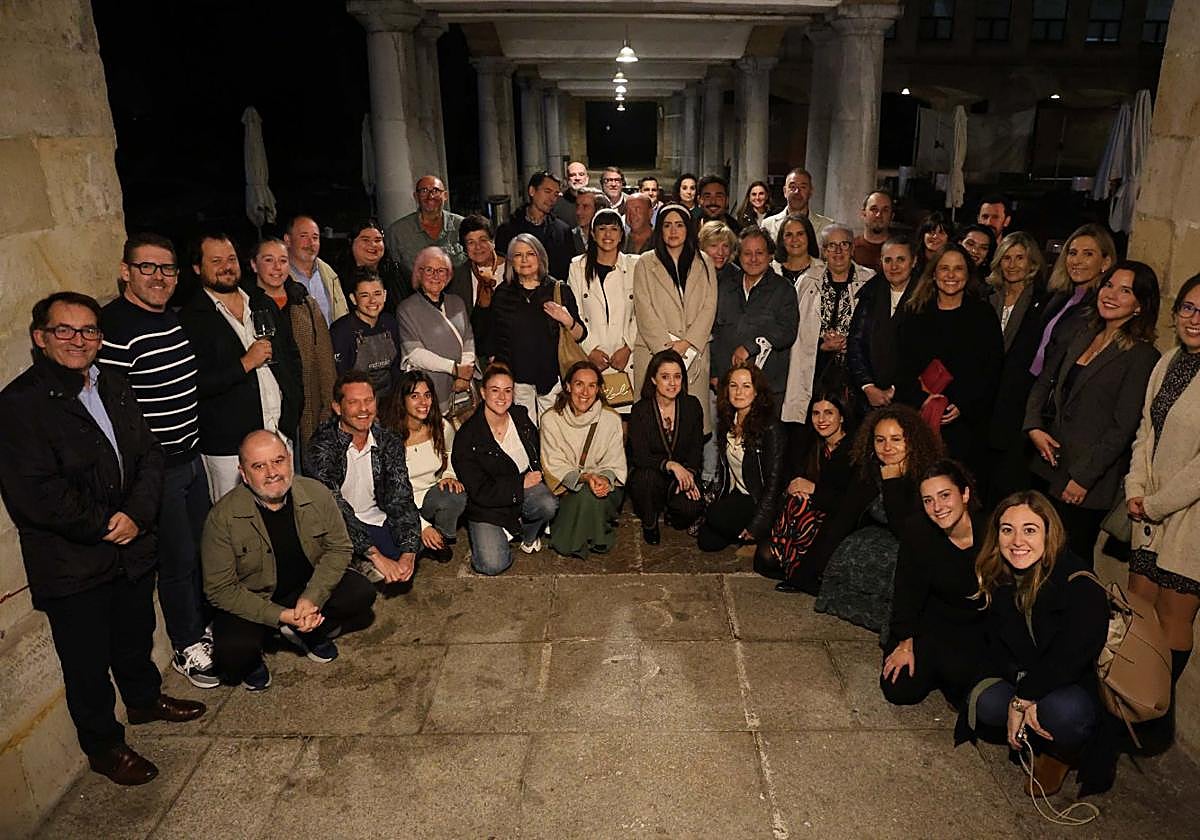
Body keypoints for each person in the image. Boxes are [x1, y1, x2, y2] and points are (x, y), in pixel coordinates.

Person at [0, 291, 204, 786]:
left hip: (129, 548)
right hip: (73, 560)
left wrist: (135, 515)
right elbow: (35, 492)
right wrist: (107, 523)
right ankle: (104, 746)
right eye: (64, 330)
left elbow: (150, 454)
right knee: (86, 664)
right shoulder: (19, 405)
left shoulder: (113, 384)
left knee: (134, 635)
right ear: (40, 338)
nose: (78, 340)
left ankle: (143, 701)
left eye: (89, 330)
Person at [99, 234, 215, 689]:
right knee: (177, 557)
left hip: (190, 457)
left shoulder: (170, 318)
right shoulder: (113, 327)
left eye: (167, 269)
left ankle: (204, 626)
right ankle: (187, 645)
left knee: (203, 548)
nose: (159, 277)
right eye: (147, 268)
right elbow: (114, 412)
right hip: (157, 471)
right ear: (126, 271)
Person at [958, 491, 1109, 797]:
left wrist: (1024, 698)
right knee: (984, 702)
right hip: (1026, 676)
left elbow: (1071, 657)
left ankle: (1062, 753)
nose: (1017, 541)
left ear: (1048, 533)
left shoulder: (1077, 582)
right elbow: (995, 648)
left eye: (1029, 530)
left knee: (1064, 713)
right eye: (1007, 529)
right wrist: (1022, 687)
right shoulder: (1002, 577)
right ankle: (1034, 732)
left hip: (1072, 685)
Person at [203, 430, 378, 691]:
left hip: (304, 588)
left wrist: (311, 599)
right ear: (244, 473)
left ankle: (307, 629)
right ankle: (259, 652)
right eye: (259, 466)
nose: (272, 472)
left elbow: (339, 548)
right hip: (256, 599)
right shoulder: (222, 518)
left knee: (361, 593)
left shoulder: (316, 493)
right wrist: (282, 615)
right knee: (232, 654)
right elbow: (220, 589)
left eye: (278, 461)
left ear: (290, 459)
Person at [1024, 261, 1161, 564]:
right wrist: (1033, 426)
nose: (1111, 295)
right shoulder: (1082, 332)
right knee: (1035, 554)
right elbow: (1045, 379)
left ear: (1140, 305)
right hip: (1046, 464)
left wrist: (1083, 478)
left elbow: (1123, 428)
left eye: (1125, 291)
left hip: (1085, 480)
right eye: (1110, 285)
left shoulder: (1142, 356)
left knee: (1069, 562)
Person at [1125, 272, 1200, 732]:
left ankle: (1151, 720)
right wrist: (1135, 488)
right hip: (1148, 511)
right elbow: (1145, 433)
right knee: (1137, 616)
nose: (1195, 319)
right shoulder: (1169, 359)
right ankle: (1124, 706)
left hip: (1190, 521)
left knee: (1172, 623)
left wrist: (1155, 504)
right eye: (1189, 308)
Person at [179, 232, 302, 501]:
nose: (227, 266)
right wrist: (245, 363)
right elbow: (194, 384)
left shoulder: (260, 301)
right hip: (229, 448)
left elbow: (292, 359)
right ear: (198, 268)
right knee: (235, 522)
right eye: (216, 261)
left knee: (285, 511)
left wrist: (292, 412)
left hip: (279, 434)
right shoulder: (191, 319)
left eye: (231, 259)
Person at [881, 460, 987, 707]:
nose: (937, 507)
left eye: (945, 495)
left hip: (974, 630)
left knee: (971, 699)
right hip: (930, 626)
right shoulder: (918, 531)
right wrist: (905, 644)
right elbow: (905, 591)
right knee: (899, 689)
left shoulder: (990, 533)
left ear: (965, 493)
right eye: (928, 500)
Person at [895, 244, 1004, 482]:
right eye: (944, 268)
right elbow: (901, 366)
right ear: (933, 274)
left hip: (967, 424)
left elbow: (992, 370)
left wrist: (963, 404)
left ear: (968, 274)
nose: (951, 275)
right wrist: (923, 400)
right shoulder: (915, 313)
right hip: (919, 417)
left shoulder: (983, 315)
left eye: (958, 269)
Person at [304, 372, 421, 585]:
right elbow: (334, 507)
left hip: (374, 518)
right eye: (354, 402)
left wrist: (409, 553)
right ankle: (357, 564)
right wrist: (376, 556)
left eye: (368, 401)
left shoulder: (388, 439)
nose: (364, 409)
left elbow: (401, 496)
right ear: (338, 408)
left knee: (405, 549)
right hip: (335, 525)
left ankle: (364, 564)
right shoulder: (321, 447)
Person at [452, 365, 559, 574]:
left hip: (523, 489)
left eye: (508, 390)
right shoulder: (468, 436)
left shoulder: (520, 417)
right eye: (495, 390)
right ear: (483, 392)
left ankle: (527, 532)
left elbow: (537, 450)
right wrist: (519, 484)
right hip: (487, 507)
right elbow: (478, 491)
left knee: (547, 503)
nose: (502, 397)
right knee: (492, 565)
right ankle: (506, 528)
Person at [632, 205, 718, 433]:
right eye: (667, 225)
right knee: (654, 428)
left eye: (679, 225)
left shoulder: (705, 262)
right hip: (655, 352)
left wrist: (687, 343)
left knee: (689, 428)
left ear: (688, 229)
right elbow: (643, 308)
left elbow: (709, 306)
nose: (673, 231)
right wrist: (668, 350)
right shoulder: (644, 262)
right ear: (659, 229)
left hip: (693, 352)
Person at [779, 223, 873, 427]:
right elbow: (797, 331)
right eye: (831, 246)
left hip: (855, 378)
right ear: (823, 251)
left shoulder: (870, 281)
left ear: (853, 249)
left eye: (844, 245)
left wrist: (851, 343)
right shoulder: (807, 282)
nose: (838, 251)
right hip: (816, 375)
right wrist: (821, 345)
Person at [250, 237, 337, 449]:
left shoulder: (304, 302)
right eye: (269, 260)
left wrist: (329, 406)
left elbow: (324, 358)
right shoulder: (247, 306)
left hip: (308, 405)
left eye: (283, 260)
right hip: (269, 409)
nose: (277, 267)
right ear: (254, 264)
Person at [758, 391, 855, 581]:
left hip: (834, 523)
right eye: (816, 413)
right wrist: (795, 488)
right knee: (764, 557)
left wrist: (813, 490)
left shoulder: (853, 451)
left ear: (841, 417)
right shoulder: (810, 444)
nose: (821, 419)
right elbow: (790, 479)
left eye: (829, 413)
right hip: (799, 518)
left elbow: (849, 502)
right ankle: (789, 559)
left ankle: (797, 568)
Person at [983, 233, 1050, 503]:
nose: (1012, 265)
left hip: (1017, 406)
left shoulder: (1043, 304)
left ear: (1031, 262)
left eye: (1019, 258)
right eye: (1007, 258)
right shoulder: (988, 298)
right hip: (984, 403)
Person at [491, 233, 586, 422]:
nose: (524, 260)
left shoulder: (558, 289)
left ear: (540, 257)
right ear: (511, 262)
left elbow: (581, 334)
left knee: (554, 435)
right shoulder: (502, 294)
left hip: (552, 380)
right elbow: (495, 339)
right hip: (516, 382)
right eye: (518, 255)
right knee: (524, 436)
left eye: (530, 254)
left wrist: (566, 319)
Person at [380, 371, 468, 564]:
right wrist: (423, 527)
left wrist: (449, 474)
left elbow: (452, 453)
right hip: (399, 505)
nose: (423, 402)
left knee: (455, 495)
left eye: (427, 395)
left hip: (429, 498)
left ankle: (439, 537)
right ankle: (425, 539)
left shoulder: (442, 427)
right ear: (402, 400)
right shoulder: (388, 437)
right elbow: (389, 494)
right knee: (402, 553)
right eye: (414, 396)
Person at [540, 361, 627, 557]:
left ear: (598, 389)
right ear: (568, 386)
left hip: (604, 485)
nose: (585, 392)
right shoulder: (551, 419)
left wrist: (603, 479)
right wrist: (586, 477)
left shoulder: (610, 419)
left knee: (592, 494)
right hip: (568, 487)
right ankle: (596, 537)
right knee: (585, 493)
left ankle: (583, 537)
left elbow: (615, 461)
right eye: (579, 384)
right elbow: (553, 462)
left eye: (592, 386)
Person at [698, 363, 785, 552]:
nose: (739, 392)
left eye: (746, 386)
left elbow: (773, 484)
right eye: (733, 385)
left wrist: (758, 524)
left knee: (714, 515)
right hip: (738, 494)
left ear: (756, 392)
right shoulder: (728, 421)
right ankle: (741, 534)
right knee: (706, 542)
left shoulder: (770, 428)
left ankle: (758, 534)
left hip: (758, 499)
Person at [711, 226, 799, 406]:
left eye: (759, 253)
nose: (753, 259)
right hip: (728, 387)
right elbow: (714, 332)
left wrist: (751, 347)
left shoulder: (784, 289)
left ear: (770, 255)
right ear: (738, 255)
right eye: (747, 253)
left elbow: (787, 331)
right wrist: (714, 372)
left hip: (767, 389)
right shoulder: (724, 287)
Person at [627, 350, 704, 544]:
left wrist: (690, 474)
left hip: (679, 477)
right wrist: (670, 465)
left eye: (677, 376)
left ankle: (672, 512)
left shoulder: (692, 406)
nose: (672, 383)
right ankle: (650, 523)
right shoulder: (640, 410)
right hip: (651, 475)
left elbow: (696, 448)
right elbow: (639, 456)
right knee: (646, 479)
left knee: (691, 509)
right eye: (665, 377)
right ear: (653, 379)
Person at [566, 209, 639, 415]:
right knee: (592, 419)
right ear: (592, 233)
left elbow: (641, 313)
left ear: (622, 234)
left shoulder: (634, 265)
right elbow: (575, 314)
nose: (608, 235)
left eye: (614, 229)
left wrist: (627, 347)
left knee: (622, 424)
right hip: (590, 358)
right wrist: (590, 349)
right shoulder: (577, 267)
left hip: (625, 360)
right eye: (602, 229)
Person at [396, 246, 477, 417]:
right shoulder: (407, 308)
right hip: (429, 389)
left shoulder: (457, 302)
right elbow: (415, 354)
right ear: (419, 273)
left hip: (462, 387)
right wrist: (454, 369)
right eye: (429, 270)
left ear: (448, 276)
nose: (435, 276)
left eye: (441, 270)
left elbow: (468, 339)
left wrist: (465, 373)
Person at [1029, 224, 1118, 378]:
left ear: (1105, 262)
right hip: (1033, 381)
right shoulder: (1058, 296)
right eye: (1073, 253)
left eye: (1088, 254)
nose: (1077, 261)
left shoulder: (1102, 306)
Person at [847, 236, 916, 415]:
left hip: (911, 399)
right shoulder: (870, 294)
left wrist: (896, 389)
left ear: (914, 261)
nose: (894, 267)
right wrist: (868, 386)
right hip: (868, 398)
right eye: (888, 260)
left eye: (901, 259)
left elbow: (923, 353)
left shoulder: (927, 298)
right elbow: (855, 343)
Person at [329, 271, 403, 401]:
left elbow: (396, 370)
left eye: (377, 294)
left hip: (389, 401)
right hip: (356, 402)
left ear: (385, 295)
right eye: (364, 295)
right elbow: (339, 378)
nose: (372, 300)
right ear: (353, 298)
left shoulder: (390, 323)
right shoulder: (341, 331)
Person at [385, 175, 466, 287]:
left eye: (436, 190)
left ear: (445, 195)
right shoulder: (397, 232)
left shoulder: (462, 226)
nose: (430, 196)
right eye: (424, 191)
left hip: (460, 299)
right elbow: (390, 275)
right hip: (414, 300)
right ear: (416, 196)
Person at [496, 171, 576, 281]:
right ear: (532, 191)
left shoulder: (562, 231)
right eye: (547, 191)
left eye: (556, 194)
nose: (552, 199)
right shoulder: (508, 229)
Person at [448, 214, 505, 357]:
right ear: (464, 248)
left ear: (493, 242)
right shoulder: (457, 277)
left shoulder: (513, 268)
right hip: (477, 355)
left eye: (483, 240)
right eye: (471, 242)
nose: (478, 247)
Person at [284, 214, 349, 325]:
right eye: (304, 236)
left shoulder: (330, 275)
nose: (311, 243)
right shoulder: (280, 278)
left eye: (315, 238)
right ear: (288, 240)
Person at [339, 219, 409, 307]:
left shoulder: (398, 272)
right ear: (351, 242)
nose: (373, 244)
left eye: (378, 240)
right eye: (365, 240)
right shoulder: (337, 278)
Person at [762, 167, 834, 242]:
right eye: (792, 187)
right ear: (785, 191)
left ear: (810, 191)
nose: (797, 192)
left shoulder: (827, 226)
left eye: (803, 187)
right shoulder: (768, 225)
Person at [769, 213, 821, 285]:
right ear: (782, 239)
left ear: (809, 236)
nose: (794, 239)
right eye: (789, 235)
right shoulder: (769, 270)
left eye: (800, 234)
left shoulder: (823, 271)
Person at [852, 191, 894, 274]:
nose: (879, 215)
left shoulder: (901, 250)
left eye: (885, 210)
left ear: (892, 216)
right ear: (863, 214)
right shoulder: (850, 249)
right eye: (874, 209)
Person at [698, 219, 742, 286]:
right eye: (714, 245)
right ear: (702, 247)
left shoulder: (739, 277)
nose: (720, 252)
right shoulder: (691, 273)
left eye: (725, 246)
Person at [570, 187, 609, 255]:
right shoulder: (567, 237)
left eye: (585, 206)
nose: (578, 212)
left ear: (599, 209)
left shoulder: (611, 238)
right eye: (577, 206)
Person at [958, 224, 996, 292]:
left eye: (983, 248)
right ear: (959, 243)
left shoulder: (988, 288)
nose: (975, 251)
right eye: (970, 244)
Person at [914, 211, 953, 277]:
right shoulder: (912, 261)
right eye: (931, 232)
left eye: (941, 233)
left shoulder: (952, 263)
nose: (935, 236)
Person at [552, 160, 590, 227]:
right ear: (566, 179)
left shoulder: (597, 200)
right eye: (572, 175)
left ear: (587, 179)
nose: (577, 178)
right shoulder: (556, 202)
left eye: (581, 174)